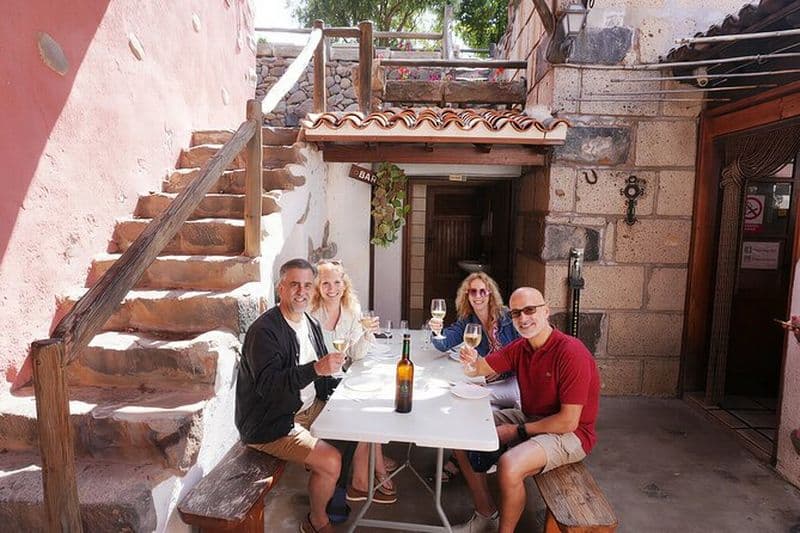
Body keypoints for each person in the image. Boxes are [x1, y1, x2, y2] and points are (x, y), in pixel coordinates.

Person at [452, 287, 600, 533]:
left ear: (546, 311)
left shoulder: (571, 352)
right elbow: (480, 368)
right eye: (516, 313)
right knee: (462, 431)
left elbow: (568, 422)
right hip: (533, 416)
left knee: (510, 465)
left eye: (530, 310)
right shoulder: (521, 347)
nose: (523, 318)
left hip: (571, 434)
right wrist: (469, 359)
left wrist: (516, 430)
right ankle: (486, 513)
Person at [235, 258, 346, 533]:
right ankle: (317, 521)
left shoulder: (310, 322)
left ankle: (344, 494)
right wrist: (317, 368)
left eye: (308, 285)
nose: (302, 291)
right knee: (331, 460)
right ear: (280, 288)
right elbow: (269, 386)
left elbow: (320, 376)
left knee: (360, 425)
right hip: (272, 422)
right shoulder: (264, 331)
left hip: (308, 407)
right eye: (294, 284)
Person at [309, 259, 398, 504]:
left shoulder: (352, 309)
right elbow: (328, 357)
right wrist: (359, 331)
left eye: (337, 282)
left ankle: (366, 474)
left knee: (375, 404)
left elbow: (356, 354)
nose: (332, 288)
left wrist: (367, 332)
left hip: (340, 379)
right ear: (317, 286)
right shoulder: (311, 313)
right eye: (325, 283)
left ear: (344, 284)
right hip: (317, 382)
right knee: (367, 412)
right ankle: (368, 473)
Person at [429, 272, 521, 482]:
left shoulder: (507, 317)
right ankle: (481, 460)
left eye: (482, 291)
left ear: (490, 293)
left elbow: (522, 352)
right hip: (491, 382)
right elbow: (444, 344)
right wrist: (436, 331)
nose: (478, 296)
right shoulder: (468, 321)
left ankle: (463, 459)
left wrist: (490, 366)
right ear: (467, 295)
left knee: (468, 401)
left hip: (514, 381)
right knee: (485, 411)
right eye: (473, 291)